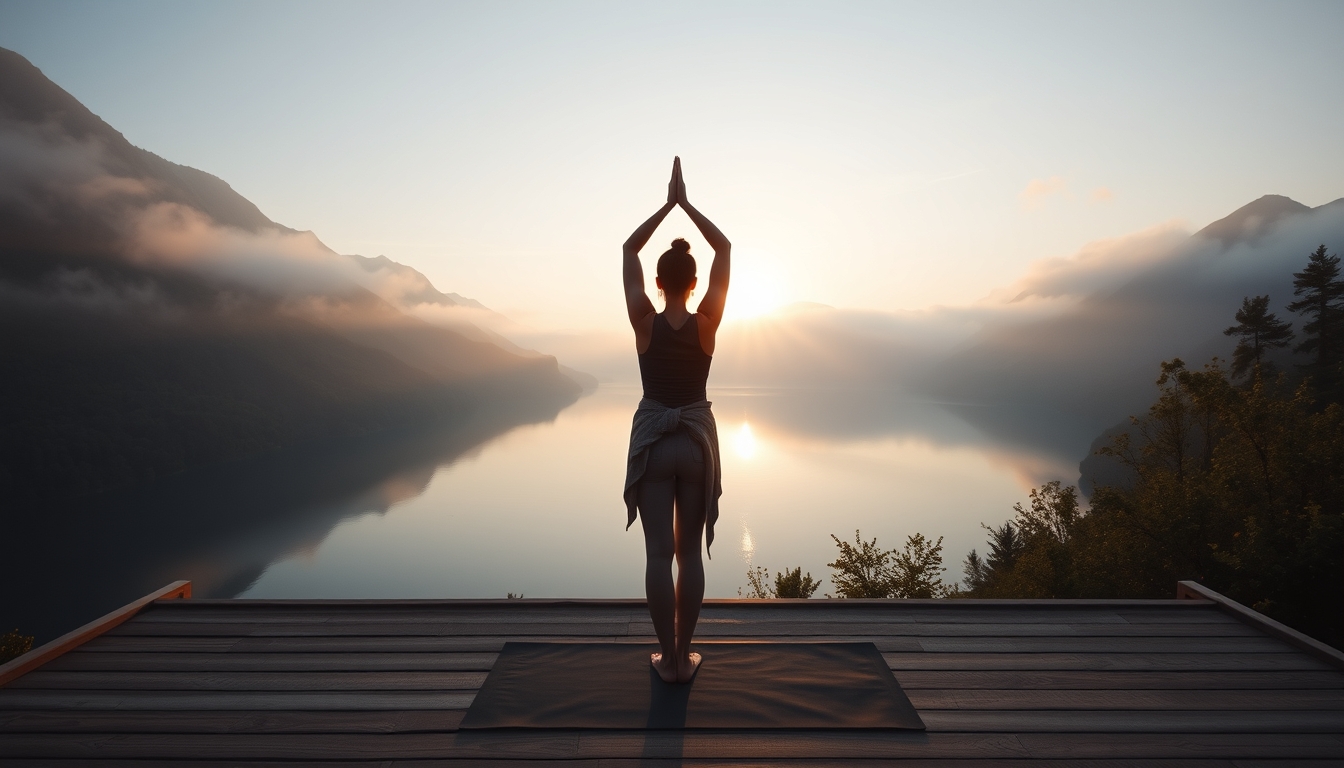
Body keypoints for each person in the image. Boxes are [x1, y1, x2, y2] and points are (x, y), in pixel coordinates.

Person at [622, 157, 731, 684]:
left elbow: (627, 251)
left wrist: (665, 207)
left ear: (661, 281)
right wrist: (688, 204)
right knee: (690, 555)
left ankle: (665, 659)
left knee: (657, 555)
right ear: (691, 284)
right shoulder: (707, 324)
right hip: (694, 443)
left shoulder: (643, 323)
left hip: (653, 442)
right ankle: (685, 657)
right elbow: (725, 250)